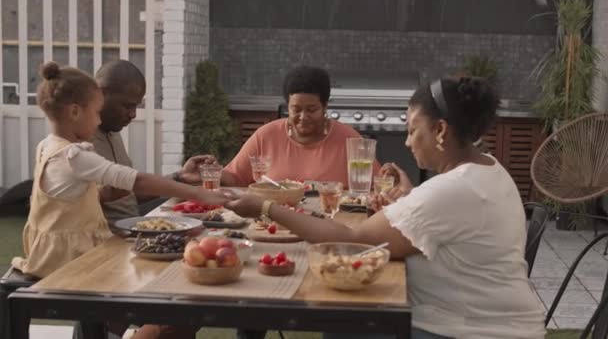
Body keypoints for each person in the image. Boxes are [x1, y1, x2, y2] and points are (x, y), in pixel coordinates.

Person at [226, 77, 546, 339]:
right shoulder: (487, 167)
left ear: (441, 131)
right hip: (494, 321)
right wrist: (408, 200)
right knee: (348, 319)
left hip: (471, 330)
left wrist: (267, 208)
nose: (407, 142)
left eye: (411, 130)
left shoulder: (452, 189)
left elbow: (355, 243)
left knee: (347, 321)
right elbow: (438, 218)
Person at [11, 61, 228, 279]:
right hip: (72, 257)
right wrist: (200, 193)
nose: (97, 120)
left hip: (60, 248)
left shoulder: (48, 146)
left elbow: (71, 198)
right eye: (96, 112)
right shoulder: (75, 154)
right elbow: (137, 181)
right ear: (76, 111)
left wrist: (178, 177)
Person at [92, 60, 215, 226]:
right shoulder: (78, 142)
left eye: (136, 106)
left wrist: (180, 177)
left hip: (133, 227)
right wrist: (197, 194)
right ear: (100, 94)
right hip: (107, 241)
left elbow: (128, 195)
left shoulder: (112, 132)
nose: (133, 114)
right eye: (127, 106)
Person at [221, 65, 379, 187]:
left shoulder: (349, 139)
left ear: (325, 107)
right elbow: (235, 178)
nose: (303, 117)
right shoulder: (266, 136)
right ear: (287, 106)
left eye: (312, 110)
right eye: (296, 109)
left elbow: (379, 184)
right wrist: (205, 174)